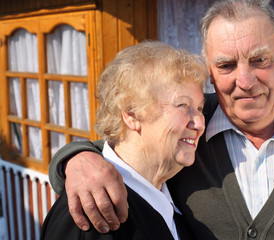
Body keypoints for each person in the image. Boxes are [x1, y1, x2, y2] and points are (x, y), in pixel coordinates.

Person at [48, 0, 274, 239]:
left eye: (260, 60)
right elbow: (123, 147)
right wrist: (76, 159)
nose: (246, 80)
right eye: (226, 65)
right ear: (210, 71)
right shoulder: (187, 132)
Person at [41, 41, 208, 239]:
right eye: (182, 105)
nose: (199, 123)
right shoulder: (92, 214)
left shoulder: (170, 195)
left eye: (199, 108)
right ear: (132, 115)